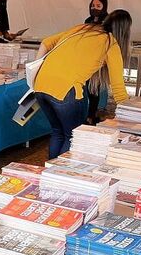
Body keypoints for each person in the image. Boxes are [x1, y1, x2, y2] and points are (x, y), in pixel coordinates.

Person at [34, 9, 131, 159]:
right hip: (66, 90)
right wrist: (131, 117)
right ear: (124, 31)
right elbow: (118, 88)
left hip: (40, 85)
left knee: (58, 132)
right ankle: (59, 176)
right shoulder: (111, 43)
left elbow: (46, 42)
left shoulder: (82, 28)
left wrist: (36, 70)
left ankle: (51, 173)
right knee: (72, 137)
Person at [83, 0, 110, 124]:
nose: (95, 8)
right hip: (87, 58)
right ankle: (88, 114)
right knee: (87, 88)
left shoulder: (108, 21)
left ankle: (91, 115)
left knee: (94, 89)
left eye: (98, 6)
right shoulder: (88, 20)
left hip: (99, 60)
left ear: (104, 7)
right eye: (93, 6)